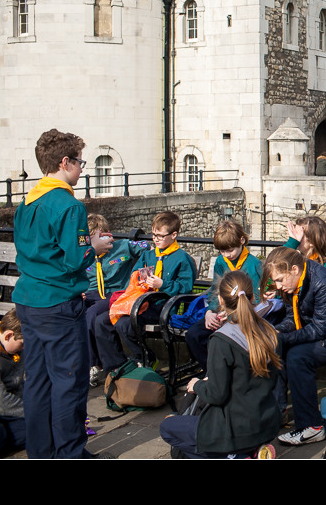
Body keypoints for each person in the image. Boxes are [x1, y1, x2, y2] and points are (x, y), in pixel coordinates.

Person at [12, 128, 112, 458]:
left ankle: (41, 450)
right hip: (58, 303)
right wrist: (95, 247)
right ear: (65, 162)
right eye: (81, 163)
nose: (83, 169)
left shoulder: (28, 200)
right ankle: (70, 452)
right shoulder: (68, 206)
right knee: (69, 382)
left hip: (28, 299)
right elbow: (75, 258)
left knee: (38, 381)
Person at [159, 271, 280, 459]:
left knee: (168, 427)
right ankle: (251, 451)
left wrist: (197, 385)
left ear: (220, 301)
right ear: (253, 297)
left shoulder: (222, 339)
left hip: (233, 429)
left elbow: (217, 394)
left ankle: (234, 456)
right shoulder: (269, 332)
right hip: (265, 423)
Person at [264, 247, 326, 446]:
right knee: (276, 346)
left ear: (295, 269)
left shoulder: (324, 283)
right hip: (325, 329)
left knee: (297, 357)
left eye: (280, 279)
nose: (278, 286)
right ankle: (277, 412)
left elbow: (319, 330)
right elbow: (292, 318)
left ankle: (311, 427)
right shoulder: (295, 283)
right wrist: (275, 332)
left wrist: (282, 338)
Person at [93, 211, 196, 373]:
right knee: (101, 321)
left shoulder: (182, 258)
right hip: (141, 302)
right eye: (154, 235)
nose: (155, 239)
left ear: (174, 235)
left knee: (125, 324)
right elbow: (134, 277)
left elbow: (185, 288)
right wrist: (139, 280)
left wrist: (162, 284)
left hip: (162, 307)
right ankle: (115, 365)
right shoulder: (149, 255)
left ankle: (144, 357)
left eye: (161, 236)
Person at [185, 220, 263, 374]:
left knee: (223, 340)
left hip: (242, 315)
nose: (227, 255)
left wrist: (232, 315)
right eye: (222, 251)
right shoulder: (221, 261)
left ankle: (226, 374)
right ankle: (211, 371)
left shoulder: (253, 264)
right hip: (221, 312)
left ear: (241, 241)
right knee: (193, 335)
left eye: (230, 250)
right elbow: (215, 289)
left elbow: (256, 299)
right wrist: (210, 312)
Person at [85, 214, 151, 386]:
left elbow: (146, 247)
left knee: (92, 314)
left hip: (115, 295)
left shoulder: (122, 247)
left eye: (102, 236)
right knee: (78, 311)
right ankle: (94, 362)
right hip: (91, 294)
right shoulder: (85, 254)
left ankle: (98, 364)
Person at [0, 308, 27, 457]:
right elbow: (2, 402)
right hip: (4, 411)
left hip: (13, 413)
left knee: (41, 428)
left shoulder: (17, 350)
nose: (24, 348)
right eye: (22, 344)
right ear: (9, 335)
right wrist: (32, 412)